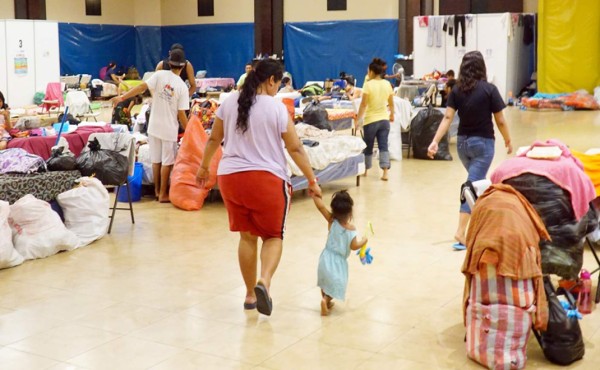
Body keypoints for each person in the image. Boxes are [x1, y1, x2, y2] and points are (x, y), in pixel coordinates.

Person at [196, 59, 321, 316]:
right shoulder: (276, 108)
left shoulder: (229, 101)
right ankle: (264, 281)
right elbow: (295, 148)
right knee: (273, 236)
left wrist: (203, 166)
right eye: (278, 83)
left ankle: (250, 295)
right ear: (271, 80)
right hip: (266, 180)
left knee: (246, 236)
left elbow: (214, 138)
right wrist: (311, 180)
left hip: (230, 179)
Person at [427, 50, 513, 249]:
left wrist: (435, 140)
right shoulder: (490, 90)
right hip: (482, 145)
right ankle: (461, 232)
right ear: (482, 67)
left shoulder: (456, 90)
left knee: (477, 185)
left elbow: (447, 118)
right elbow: (500, 120)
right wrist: (508, 140)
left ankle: (479, 225)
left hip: (463, 146)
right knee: (472, 187)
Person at [113, 48, 190, 203]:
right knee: (167, 162)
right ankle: (163, 194)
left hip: (153, 125)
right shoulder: (182, 86)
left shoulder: (159, 75)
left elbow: (142, 87)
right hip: (169, 128)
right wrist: (190, 131)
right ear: (182, 67)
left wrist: (122, 97)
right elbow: (182, 114)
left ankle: (156, 191)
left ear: (169, 63)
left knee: (156, 160)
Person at [312, 190, 368, 316]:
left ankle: (325, 302)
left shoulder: (332, 221)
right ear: (350, 212)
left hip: (325, 257)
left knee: (325, 282)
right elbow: (354, 246)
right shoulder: (351, 230)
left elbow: (321, 207)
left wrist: (315, 196)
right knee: (336, 285)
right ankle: (325, 300)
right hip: (338, 263)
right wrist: (364, 241)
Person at [356, 58, 394, 181]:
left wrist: (358, 119)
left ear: (372, 72)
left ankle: (366, 170)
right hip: (384, 120)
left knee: (368, 146)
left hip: (370, 120)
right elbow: (391, 103)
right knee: (383, 145)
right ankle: (385, 173)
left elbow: (363, 104)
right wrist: (392, 114)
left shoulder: (368, 85)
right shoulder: (387, 84)